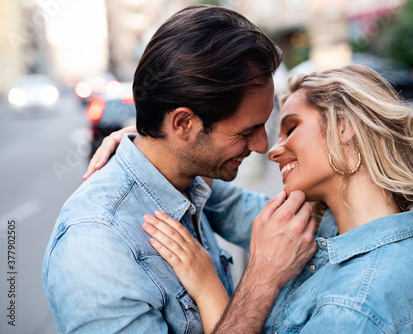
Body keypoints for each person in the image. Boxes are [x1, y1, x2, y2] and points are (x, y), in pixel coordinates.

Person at [43, 5, 317, 334]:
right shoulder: (96, 244)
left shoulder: (192, 182)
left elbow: (299, 226)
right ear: (183, 123)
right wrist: (261, 281)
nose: (262, 146)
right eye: (246, 132)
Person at [134, 65, 413, 333]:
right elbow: (229, 205)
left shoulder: (351, 308)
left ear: (344, 127)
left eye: (290, 128)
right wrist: (155, 146)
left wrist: (209, 290)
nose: (273, 150)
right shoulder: (334, 225)